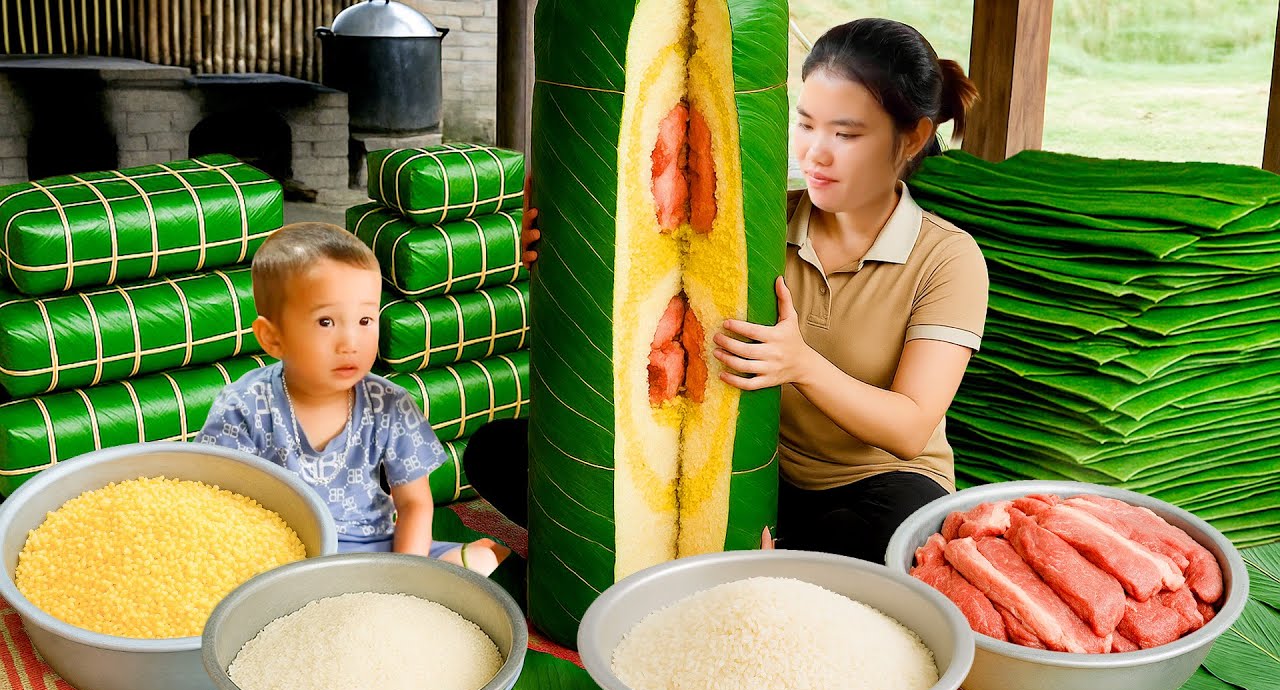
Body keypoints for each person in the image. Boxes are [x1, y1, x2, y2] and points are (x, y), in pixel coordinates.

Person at [467, 17, 987, 564]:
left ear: (913, 137)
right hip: (756, 475)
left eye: (847, 134)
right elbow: (650, 285)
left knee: (896, 533)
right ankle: (764, 563)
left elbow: (909, 428)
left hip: (878, 488)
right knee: (500, 454)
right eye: (807, 125)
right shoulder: (758, 221)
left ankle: (751, 565)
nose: (816, 153)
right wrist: (561, 259)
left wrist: (801, 365)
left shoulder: (947, 258)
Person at [197, 222, 506, 575]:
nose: (351, 342)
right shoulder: (244, 406)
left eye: (364, 319)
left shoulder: (389, 404)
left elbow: (415, 505)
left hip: (376, 552)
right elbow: (217, 511)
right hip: (282, 562)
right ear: (272, 338)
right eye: (326, 322)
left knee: (482, 561)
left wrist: (404, 576)